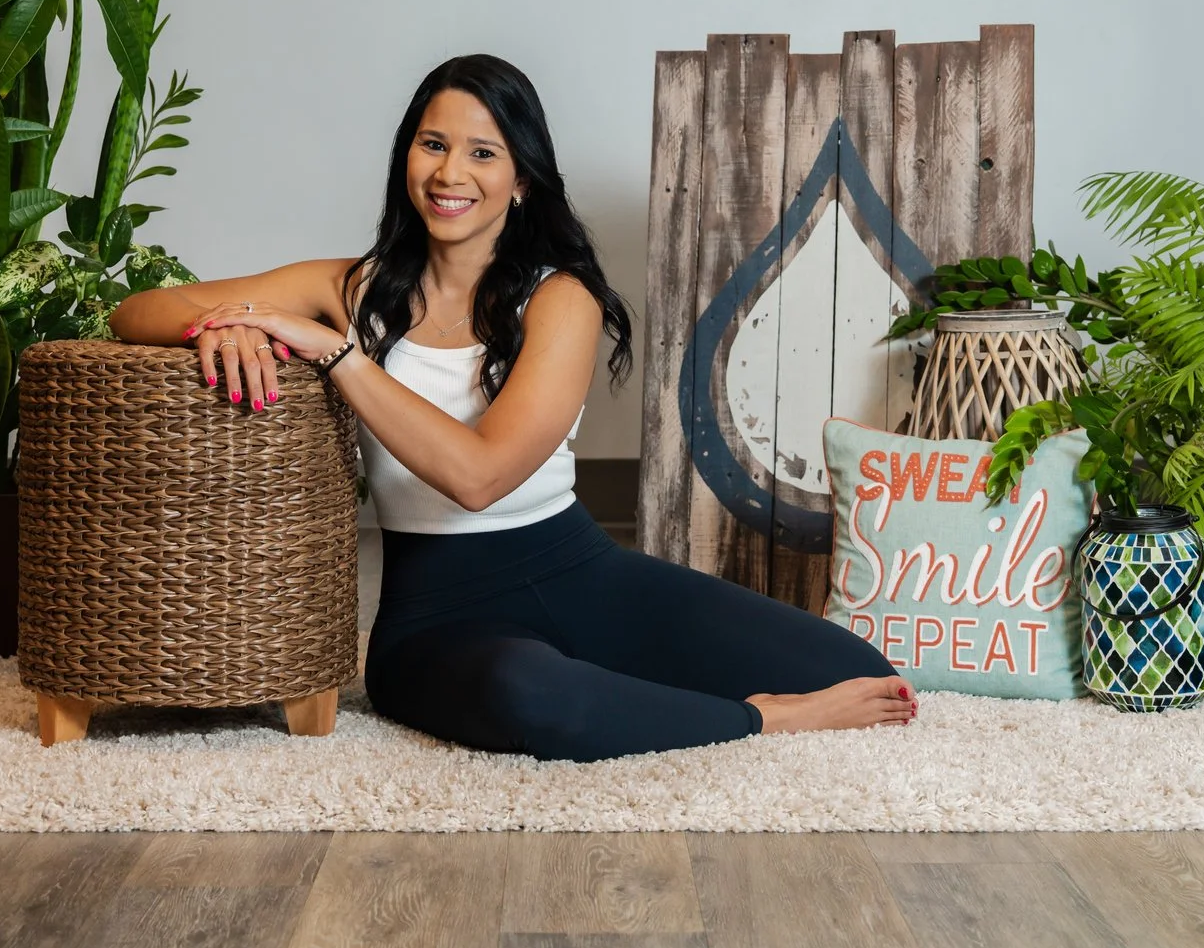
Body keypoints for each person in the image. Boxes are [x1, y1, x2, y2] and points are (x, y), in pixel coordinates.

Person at [111, 54, 912, 761]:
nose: (449, 173)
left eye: (482, 153)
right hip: (434, 622)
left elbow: (481, 476)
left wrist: (333, 352)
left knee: (861, 672)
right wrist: (232, 329)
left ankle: (647, 694)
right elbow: (138, 310)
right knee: (530, 695)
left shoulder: (561, 301)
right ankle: (759, 723)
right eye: (432, 145)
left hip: (577, 573)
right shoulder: (350, 286)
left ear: (521, 180)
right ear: (406, 159)